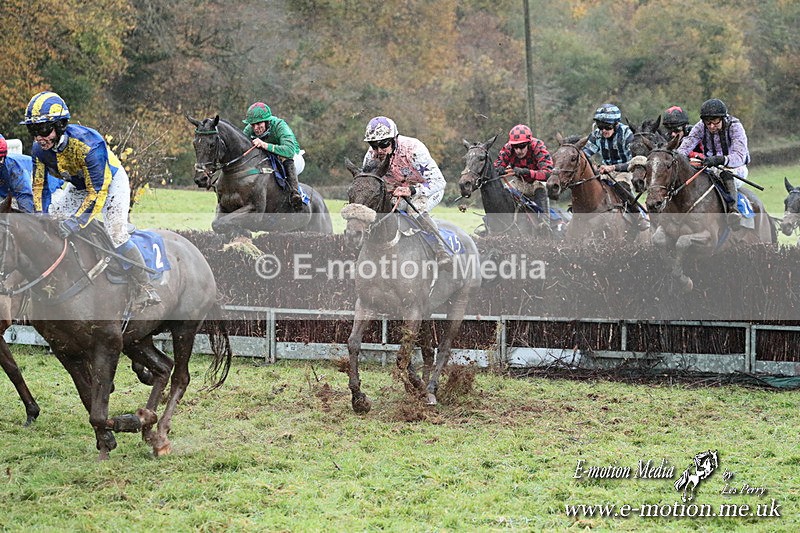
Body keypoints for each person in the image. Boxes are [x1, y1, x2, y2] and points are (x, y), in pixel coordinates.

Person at [20, 90, 160, 308]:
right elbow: (39, 186)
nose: (38, 137)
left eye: (43, 129)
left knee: (116, 234)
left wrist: (75, 222)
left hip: (109, 183)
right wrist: (41, 215)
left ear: (60, 126)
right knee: (49, 222)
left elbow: (97, 193)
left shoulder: (89, 144)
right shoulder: (39, 149)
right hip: (78, 184)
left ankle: (145, 287)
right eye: (33, 130)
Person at [361, 116, 450, 265]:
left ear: (394, 139)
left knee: (413, 211)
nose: (379, 150)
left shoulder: (414, 149)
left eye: (384, 144)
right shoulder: (371, 155)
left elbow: (440, 182)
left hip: (425, 190)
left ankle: (440, 251)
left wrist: (412, 190)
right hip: (396, 192)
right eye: (373, 145)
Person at [677, 98, 749, 225]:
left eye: (715, 123)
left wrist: (720, 160)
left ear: (723, 119)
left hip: (735, 167)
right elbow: (686, 145)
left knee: (726, 173)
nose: (711, 127)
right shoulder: (701, 126)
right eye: (708, 123)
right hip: (710, 165)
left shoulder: (736, 127)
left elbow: (739, 156)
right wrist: (676, 157)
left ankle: (733, 211)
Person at [582, 103, 649, 230]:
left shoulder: (627, 134)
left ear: (616, 124)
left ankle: (638, 216)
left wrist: (613, 167)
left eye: (607, 127)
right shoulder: (597, 134)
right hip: (605, 172)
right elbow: (585, 154)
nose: (603, 131)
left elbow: (633, 162)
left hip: (626, 171)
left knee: (621, 186)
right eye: (601, 127)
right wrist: (592, 165)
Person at [242, 101, 304, 210]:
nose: (256, 128)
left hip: (293, 158)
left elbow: (289, 151)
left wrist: (265, 145)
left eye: (259, 124)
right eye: (253, 125)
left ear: (267, 121)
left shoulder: (280, 125)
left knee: (284, 157)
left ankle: (295, 193)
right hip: (270, 158)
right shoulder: (249, 130)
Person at [493, 124, 554, 224]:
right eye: (515, 147)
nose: (518, 151)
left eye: (521, 146)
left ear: (529, 143)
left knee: (540, 191)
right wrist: (499, 169)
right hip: (519, 182)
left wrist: (527, 172)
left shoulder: (538, 147)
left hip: (537, 183)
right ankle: (494, 224)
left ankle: (545, 225)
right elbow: (497, 166)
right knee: (502, 193)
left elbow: (548, 174)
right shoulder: (508, 147)